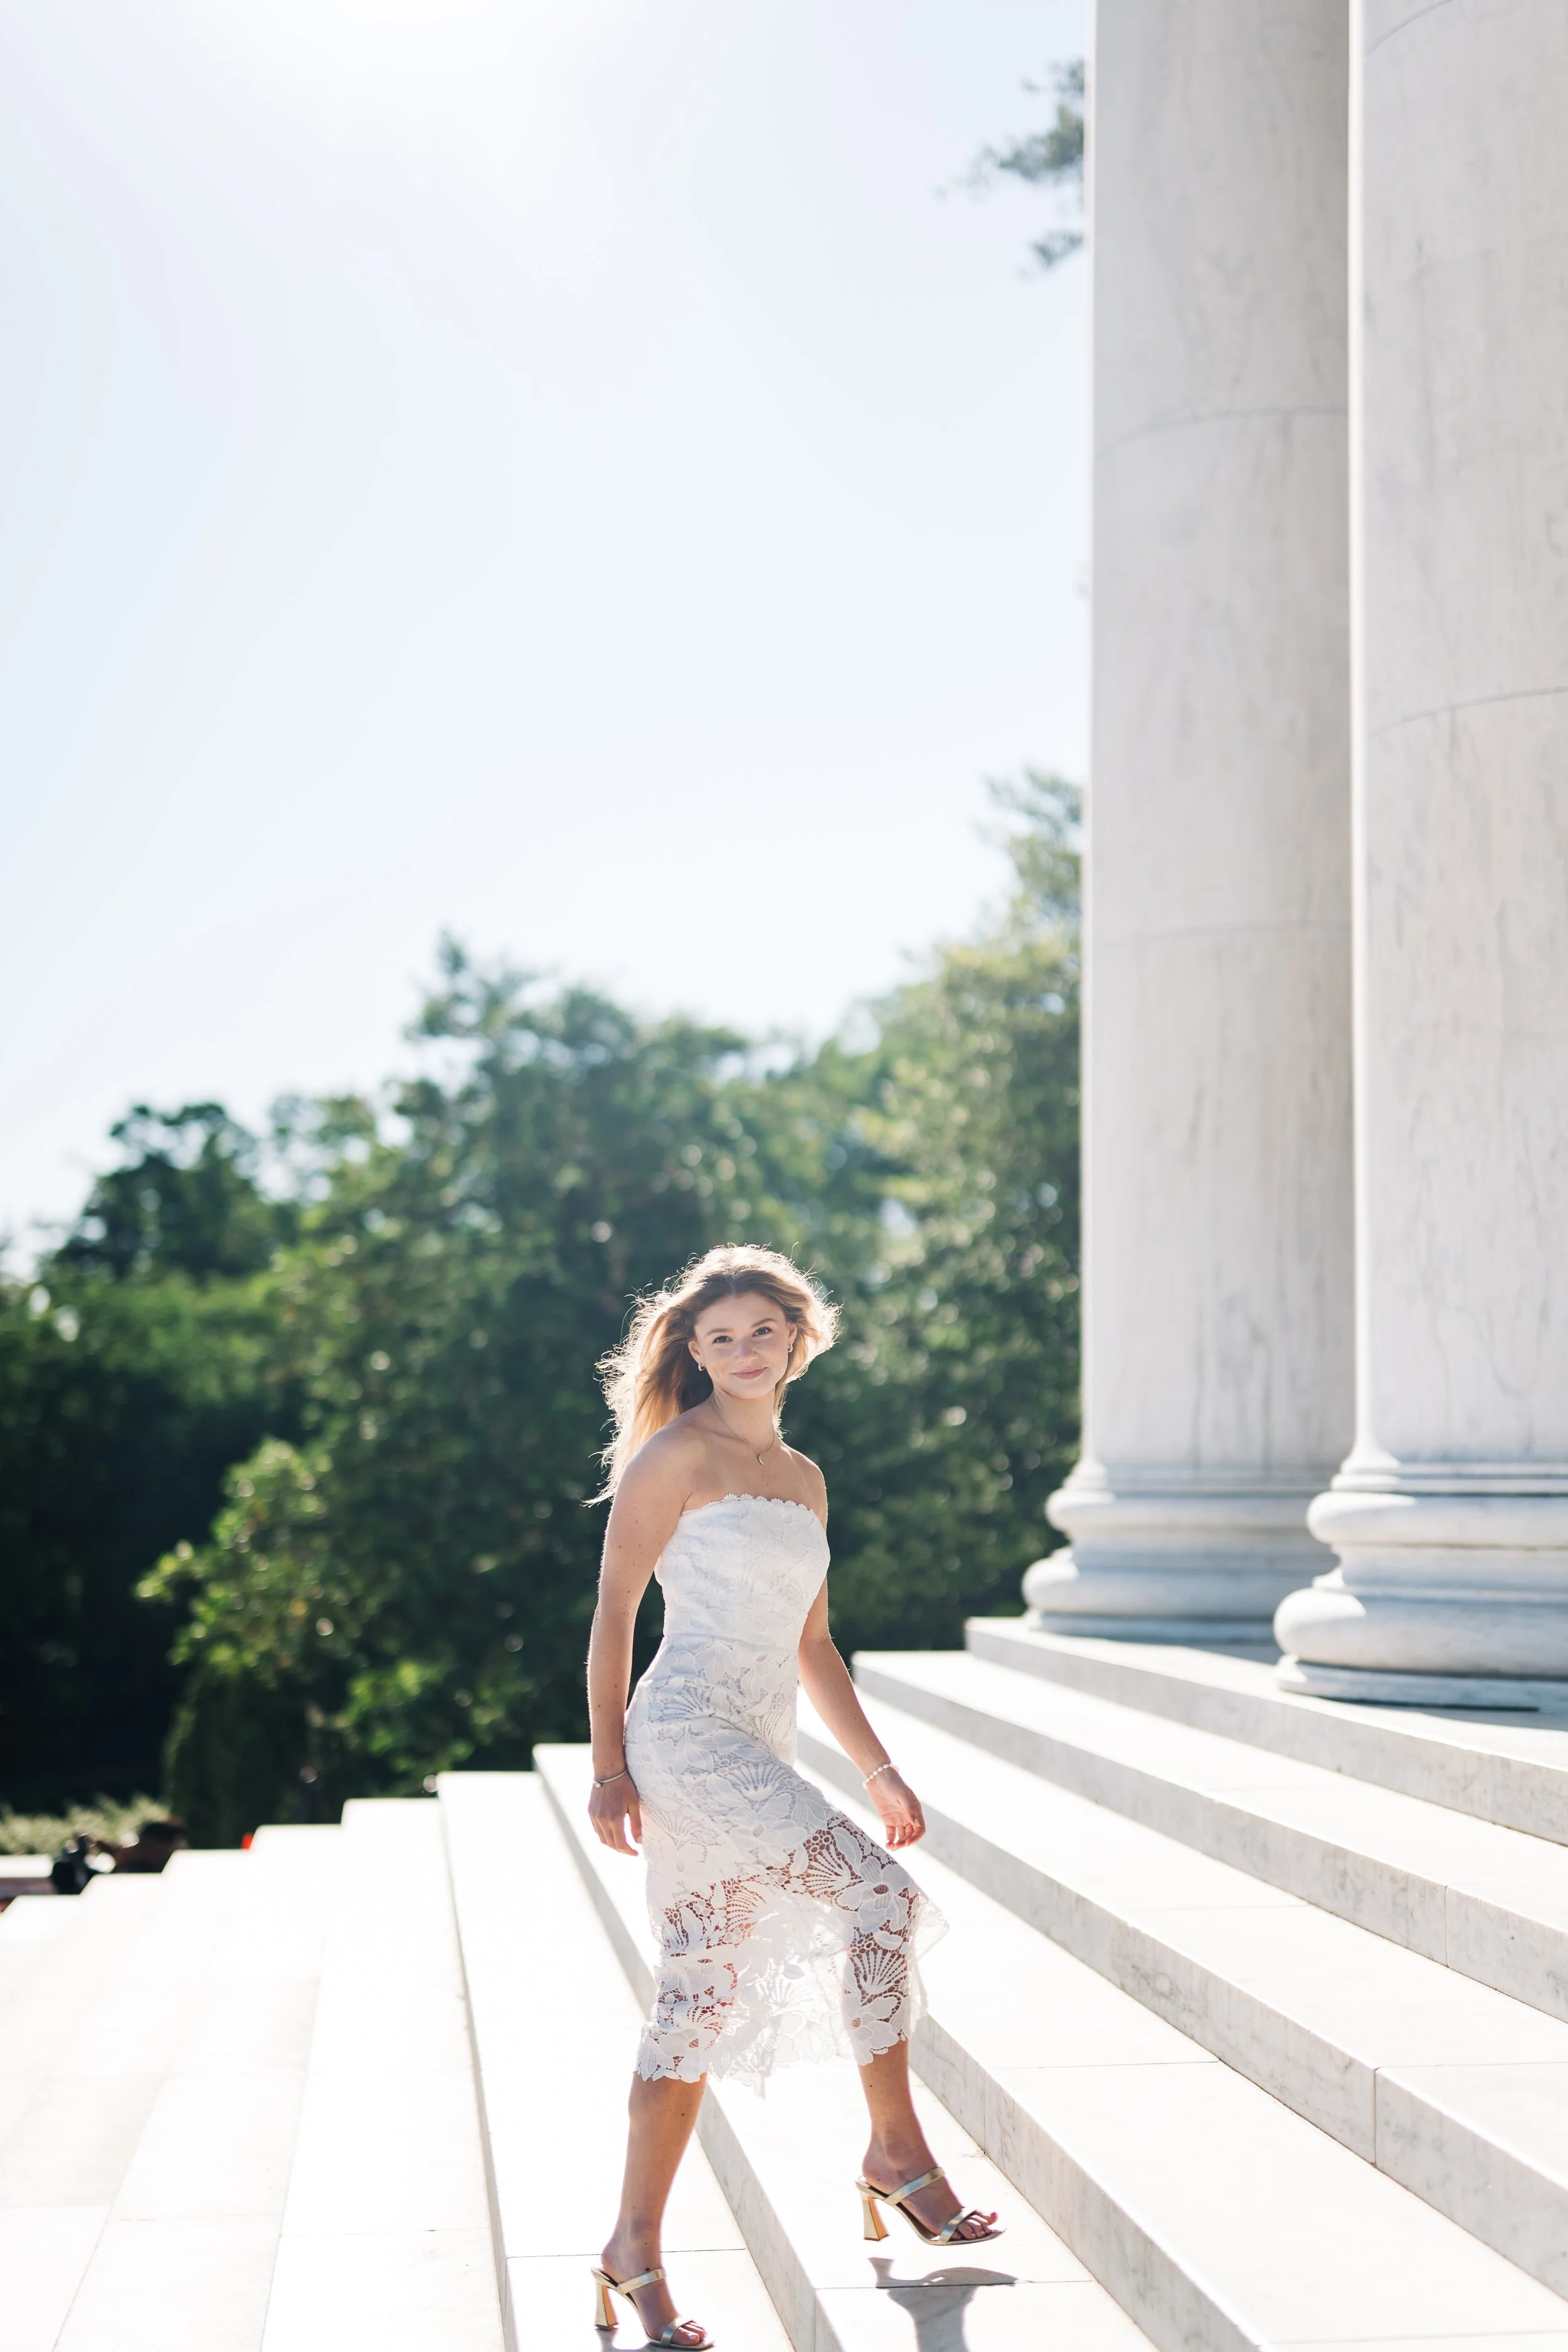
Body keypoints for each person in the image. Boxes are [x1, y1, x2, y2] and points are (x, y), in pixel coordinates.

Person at [585, 1244, 1001, 2348]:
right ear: (694, 1349)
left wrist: (878, 1766)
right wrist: (608, 1766)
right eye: (719, 1338)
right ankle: (897, 2151)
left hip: (763, 1736)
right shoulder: (671, 1458)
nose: (742, 1352)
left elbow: (815, 1641)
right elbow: (616, 1614)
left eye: (761, 1331)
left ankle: (632, 2249)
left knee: (699, 1998)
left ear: (797, 1337)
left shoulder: (807, 1477)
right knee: (883, 1902)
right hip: (682, 1736)